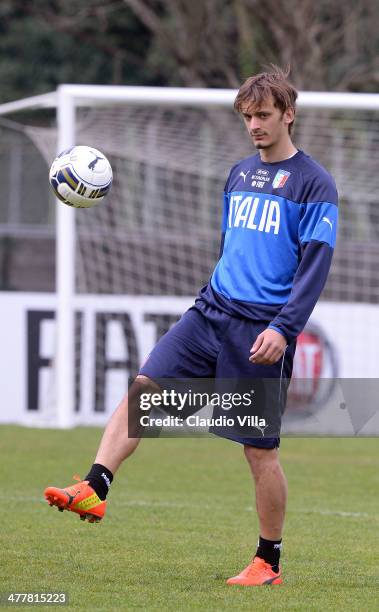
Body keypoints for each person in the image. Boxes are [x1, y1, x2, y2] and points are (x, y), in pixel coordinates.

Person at [44, 66, 338, 586]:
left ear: (288, 114)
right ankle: (95, 486)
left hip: (259, 332)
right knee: (144, 390)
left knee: (259, 452)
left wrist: (284, 328)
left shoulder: (316, 184)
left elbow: (314, 268)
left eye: (264, 115)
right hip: (209, 314)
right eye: (248, 117)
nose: (255, 125)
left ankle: (268, 561)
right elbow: (232, 247)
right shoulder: (239, 173)